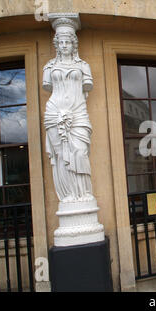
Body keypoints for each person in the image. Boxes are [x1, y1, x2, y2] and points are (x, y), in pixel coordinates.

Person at [43, 27, 94, 203]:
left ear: (74, 44)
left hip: (78, 111)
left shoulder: (83, 66)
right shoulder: (49, 67)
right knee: (61, 156)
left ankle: (84, 193)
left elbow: (87, 87)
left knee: (80, 152)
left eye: (68, 42)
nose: (64, 46)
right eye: (61, 42)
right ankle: (68, 195)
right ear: (57, 45)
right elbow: (48, 86)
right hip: (54, 112)